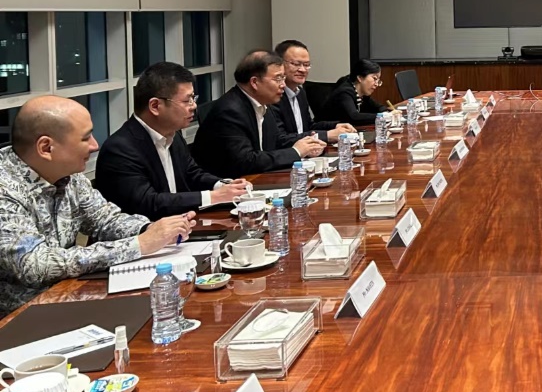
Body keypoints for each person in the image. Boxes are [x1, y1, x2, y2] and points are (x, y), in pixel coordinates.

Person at [0, 96, 193, 316]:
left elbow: (104, 220)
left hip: (69, 297)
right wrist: (138, 244)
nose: (95, 145)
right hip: (19, 320)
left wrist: (151, 229)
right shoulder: (5, 189)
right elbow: (35, 265)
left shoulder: (70, 176)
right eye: (85, 138)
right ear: (46, 147)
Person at [96, 62, 253, 219]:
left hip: (183, 224)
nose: (194, 106)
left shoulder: (173, 134)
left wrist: (224, 185)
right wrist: (214, 197)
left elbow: (191, 174)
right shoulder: (120, 149)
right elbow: (148, 202)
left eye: (193, 98)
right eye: (186, 101)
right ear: (155, 106)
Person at [192, 50, 327, 179]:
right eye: (278, 79)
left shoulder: (262, 104)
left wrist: (308, 146)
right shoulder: (230, 111)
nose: (283, 85)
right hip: (232, 186)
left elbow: (277, 141)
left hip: (260, 178)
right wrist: (296, 152)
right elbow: (246, 161)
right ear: (254, 82)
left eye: (283, 78)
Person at [270, 40, 356, 140]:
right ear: (279, 65)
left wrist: (336, 126)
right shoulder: (273, 95)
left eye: (306, 65)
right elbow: (281, 139)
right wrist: (326, 135)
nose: (302, 70)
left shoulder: (300, 92)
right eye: (296, 64)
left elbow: (309, 127)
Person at [317, 59, 384, 126]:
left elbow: (379, 107)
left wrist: (386, 112)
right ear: (360, 78)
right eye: (374, 79)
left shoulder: (362, 94)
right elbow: (354, 117)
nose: (376, 84)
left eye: (378, 81)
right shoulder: (344, 92)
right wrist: (382, 116)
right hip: (324, 130)